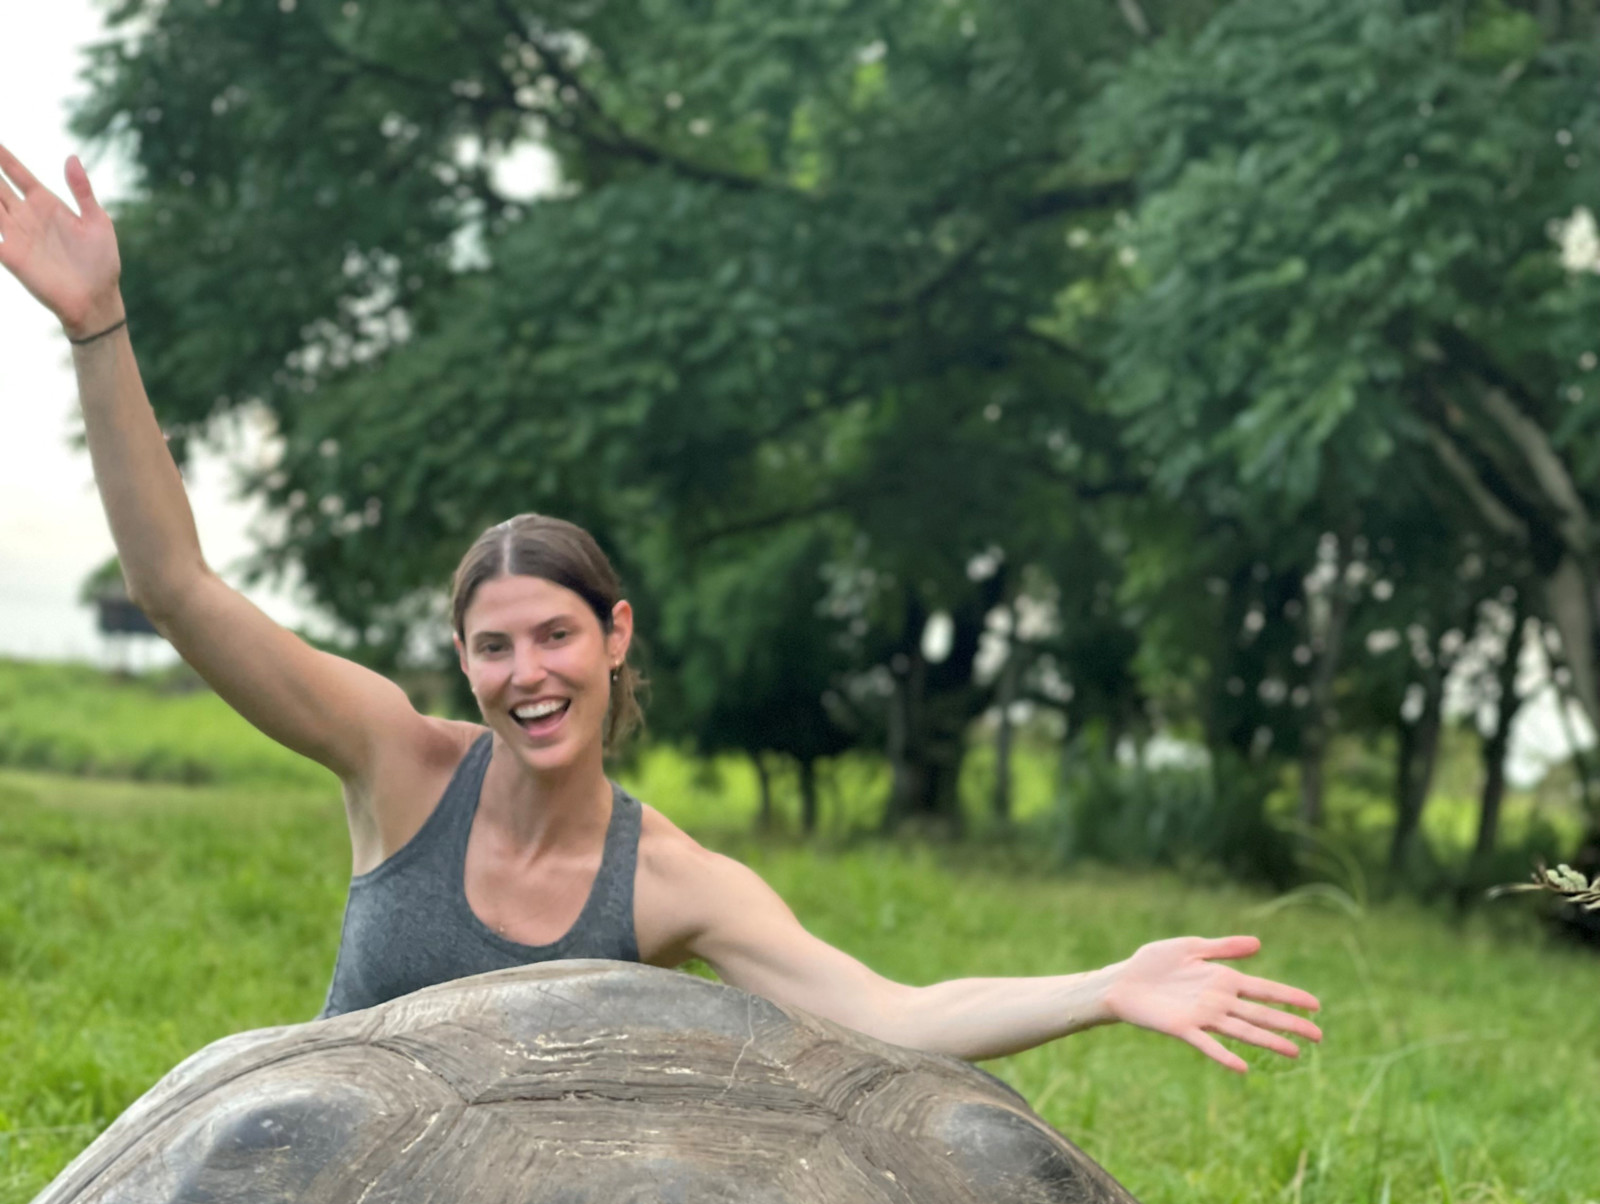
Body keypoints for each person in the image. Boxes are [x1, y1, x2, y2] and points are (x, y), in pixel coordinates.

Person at [0, 146, 1323, 1069]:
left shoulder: (671, 883)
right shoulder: (394, 763)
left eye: (557, 635)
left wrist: (1106, 988)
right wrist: (98, 326)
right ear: (460, 659)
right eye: (494, 645)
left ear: (615, 635)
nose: (529, 673)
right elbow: (176, 589)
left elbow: (890, 1012)